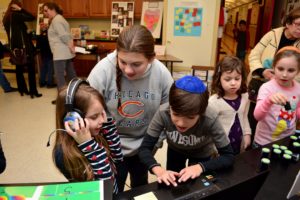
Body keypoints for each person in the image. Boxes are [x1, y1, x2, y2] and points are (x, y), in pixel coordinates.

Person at [87, 25, 173, 192]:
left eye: (136, 64)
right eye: (123, 62)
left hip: (145, 145)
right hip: (109, 146)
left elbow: (169, 115)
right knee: (112, 189)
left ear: (151, 58)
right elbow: (86, 111)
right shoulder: (102, 71)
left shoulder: (162, 74)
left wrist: (154, 144)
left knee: (140, 186)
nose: (128, 70)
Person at [138, 75, 234, 187]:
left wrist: (200, 167)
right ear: (170, 107)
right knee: (173, 184)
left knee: (196, 186)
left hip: (201, 154)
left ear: (201, 113)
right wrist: (159, 170)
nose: (181, 123)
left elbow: (228, 156)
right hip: (175, 151)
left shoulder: (210, 117)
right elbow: (144, 149)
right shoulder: (163, 113)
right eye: (176, 114)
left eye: (190, 117)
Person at [54, 78, 123, 194]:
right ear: (72, 120)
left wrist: (108, 127)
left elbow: (118, 158)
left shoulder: (97, 133)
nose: (102, 120)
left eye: (102, 113)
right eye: (94, 117)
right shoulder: (64, 154)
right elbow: (105, 188)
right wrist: (89, 147)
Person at [247, 7, 300, 140]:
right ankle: (252, 143)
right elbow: (254, 54)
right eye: (298, 24)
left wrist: (288, 81)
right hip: (261, 83)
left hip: (286, 88)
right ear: (288, 23)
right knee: (255, 116)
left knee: (279, 117)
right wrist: (262, 70)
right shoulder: (273, 35)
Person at [253, 46, 300, 147]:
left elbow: (297, 111)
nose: (284, 74)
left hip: (287, 140)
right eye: (280, 69)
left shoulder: (298, 89)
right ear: (273, 67)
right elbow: (257, 116)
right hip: (263, 142)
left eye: (291, 70)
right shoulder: (266, 88)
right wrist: (268, 101)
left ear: (298, 71)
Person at [210, 56, 251, 155]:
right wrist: (212, 146)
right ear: (219, 79)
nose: (233, 83)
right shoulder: (213, 102)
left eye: (237, 79)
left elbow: (245, 118)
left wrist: (247, 134)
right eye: (227, 79)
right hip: (220, 148)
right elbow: (209, 127)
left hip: (238, 144)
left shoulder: (245, 97)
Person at [2, 0, 42, 98]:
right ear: (15, 6)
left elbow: (14, 32)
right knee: (31, 69)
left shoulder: (6, 17)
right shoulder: (16, 15)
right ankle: (33, 91)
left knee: (19, 69)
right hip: (25, 48)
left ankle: (22, 89)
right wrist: (21, 9)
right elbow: (31, 17)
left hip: (14, 48)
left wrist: (25, 31)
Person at [42, 2, 77, 104]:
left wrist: (71, 47)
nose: (45, 13)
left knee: (60, 77)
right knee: (71, 76)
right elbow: (67, 35)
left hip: (60, 54)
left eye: (46, 10)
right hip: (65, 53)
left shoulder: (56, 20)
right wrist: (71, 47)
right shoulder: (60, 18)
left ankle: (62, 100)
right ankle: (78, 96)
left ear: (52, 9)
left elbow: (64, 36)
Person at [36, 22, 56, 88]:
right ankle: (49, 83)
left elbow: (37, 46)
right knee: (50, 69)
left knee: (43, 68)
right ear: (47, 27)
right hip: (49, 54)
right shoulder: (49, 34)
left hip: (43, 54)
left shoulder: (39, 35)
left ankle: (42, 82)